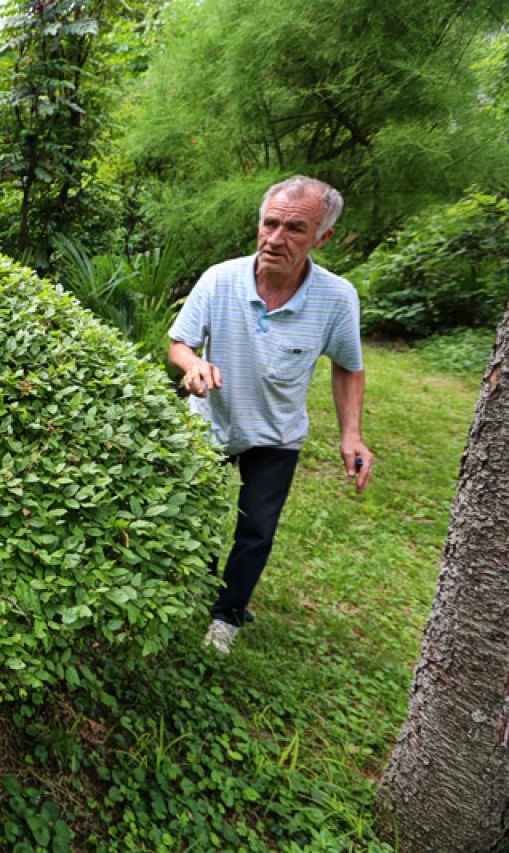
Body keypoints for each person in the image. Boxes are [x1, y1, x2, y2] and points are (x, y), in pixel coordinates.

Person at [167, 175, 373, 654]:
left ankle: (227, 616)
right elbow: (180, 343)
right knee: (185, 512)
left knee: (256, 529)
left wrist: (353, 434)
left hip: (277, 433)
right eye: (270, 223)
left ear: (323, 238)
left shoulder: (337, 297)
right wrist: (194, 364)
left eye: (295, 229)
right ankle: (180, 591)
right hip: (208, 422)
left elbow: (347, 365)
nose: (276, 239)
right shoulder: (219, 279)